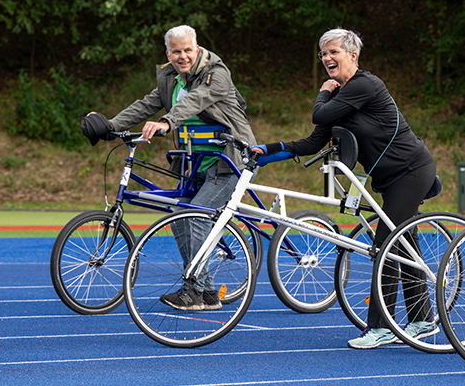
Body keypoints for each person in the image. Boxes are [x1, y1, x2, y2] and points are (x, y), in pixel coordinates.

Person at [252, 28, 439, 349]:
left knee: (386, 246)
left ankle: (382, 327)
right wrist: (266, 151)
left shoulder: (366, 84)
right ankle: (422, 319)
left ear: (353, 55)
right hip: (390, 178)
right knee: (404, 245)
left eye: (333, 52)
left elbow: (318, 112)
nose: (326, 58)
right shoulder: (341, 97)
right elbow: (312, 142)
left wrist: (324, 91)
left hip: (412, 169)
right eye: (323, 54)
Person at [81, 25, 257, 310]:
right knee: (179, 215)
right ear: (168, 53)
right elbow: (145, 105)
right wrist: (111, 126)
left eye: (188, 50)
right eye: (176, 51)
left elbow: (195, 101)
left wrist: (167, 122)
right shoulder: (169, 78)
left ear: (197, 49)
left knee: (196, 216)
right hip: (195, 162)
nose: (183, 56)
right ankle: (209, 293)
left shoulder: (217, 74)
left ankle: (193, 291)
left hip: (231, 160)